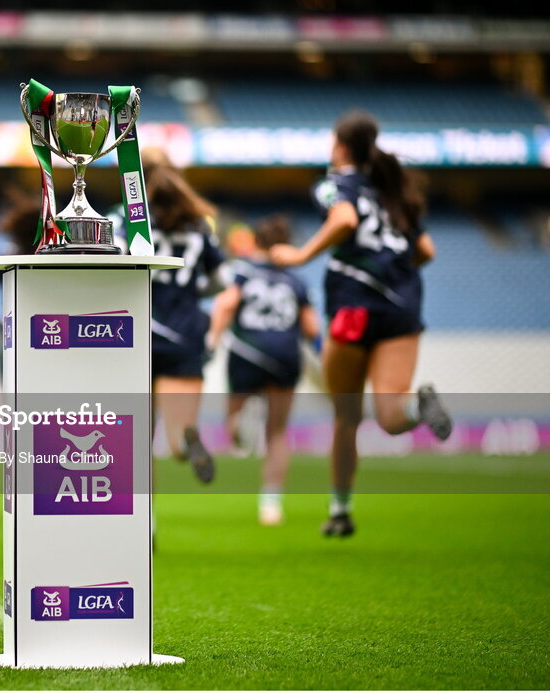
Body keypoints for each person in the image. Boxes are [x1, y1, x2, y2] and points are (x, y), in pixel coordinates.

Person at [269, 110, 452, 538]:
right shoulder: (393, 192)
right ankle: (417, 406)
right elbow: (426, 249)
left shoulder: (335, 184)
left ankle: (340, 510)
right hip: (401, 310)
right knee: (391, 415)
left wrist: (298, 256)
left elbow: (345, 219)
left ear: (341, 147)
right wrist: (395, 276)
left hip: (354, 307)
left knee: (346, 416)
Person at [121, 151, 227, 483]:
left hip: (137, 336)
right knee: (176, 440)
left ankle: (145, 529)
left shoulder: (125, 220)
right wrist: (195, 290)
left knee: (138, 443)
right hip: (185, 334)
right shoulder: (198, 227)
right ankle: (186, 442)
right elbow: (223, 281)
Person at [209, 216, 320, 525]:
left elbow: (225, 305)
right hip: (285, 354)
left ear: (256, 241)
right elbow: (312, 328)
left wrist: (213, 340)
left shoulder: (243, 272)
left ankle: (240, 428)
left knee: (231, 422)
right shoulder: (297, 281)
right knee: (278, 432)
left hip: (246, 353)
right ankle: (271, 504)